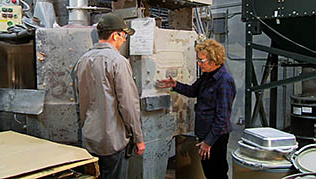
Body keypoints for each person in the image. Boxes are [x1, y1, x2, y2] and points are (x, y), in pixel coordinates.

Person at [73, 12, 145, 179]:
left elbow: (82, 102)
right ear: (115, 35)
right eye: (124, 35)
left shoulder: (82, 61)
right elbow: (128, 105)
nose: (125, 39)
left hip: (90, 138)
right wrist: (138, 138)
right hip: (113, 141)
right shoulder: (118, 61)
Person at [157, 39, 236, 179]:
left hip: (216, 138)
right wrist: (175, 85)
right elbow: (193, 91)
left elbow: (222, 117)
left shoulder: (224, 81)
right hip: (205, 134)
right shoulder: (207, 76)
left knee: (217, 173)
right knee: (209, 172)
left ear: (214, 60)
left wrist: (208, 142)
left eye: (202, 61)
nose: (199, 64)